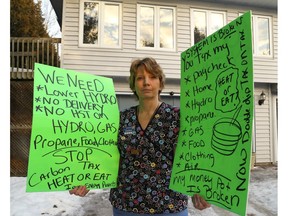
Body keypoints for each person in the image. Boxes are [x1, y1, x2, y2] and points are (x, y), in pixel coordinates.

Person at [69, 57, 211, 215]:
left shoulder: (178, 118)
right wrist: (88, 178)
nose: (146, 82)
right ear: (133, 84)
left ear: (160, 82)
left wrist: (200, 189)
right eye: (140, 78)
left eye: (152, 77)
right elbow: (107, 156)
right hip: (126, 205)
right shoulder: (121, 119)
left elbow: (192, 158)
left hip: (169, 206)